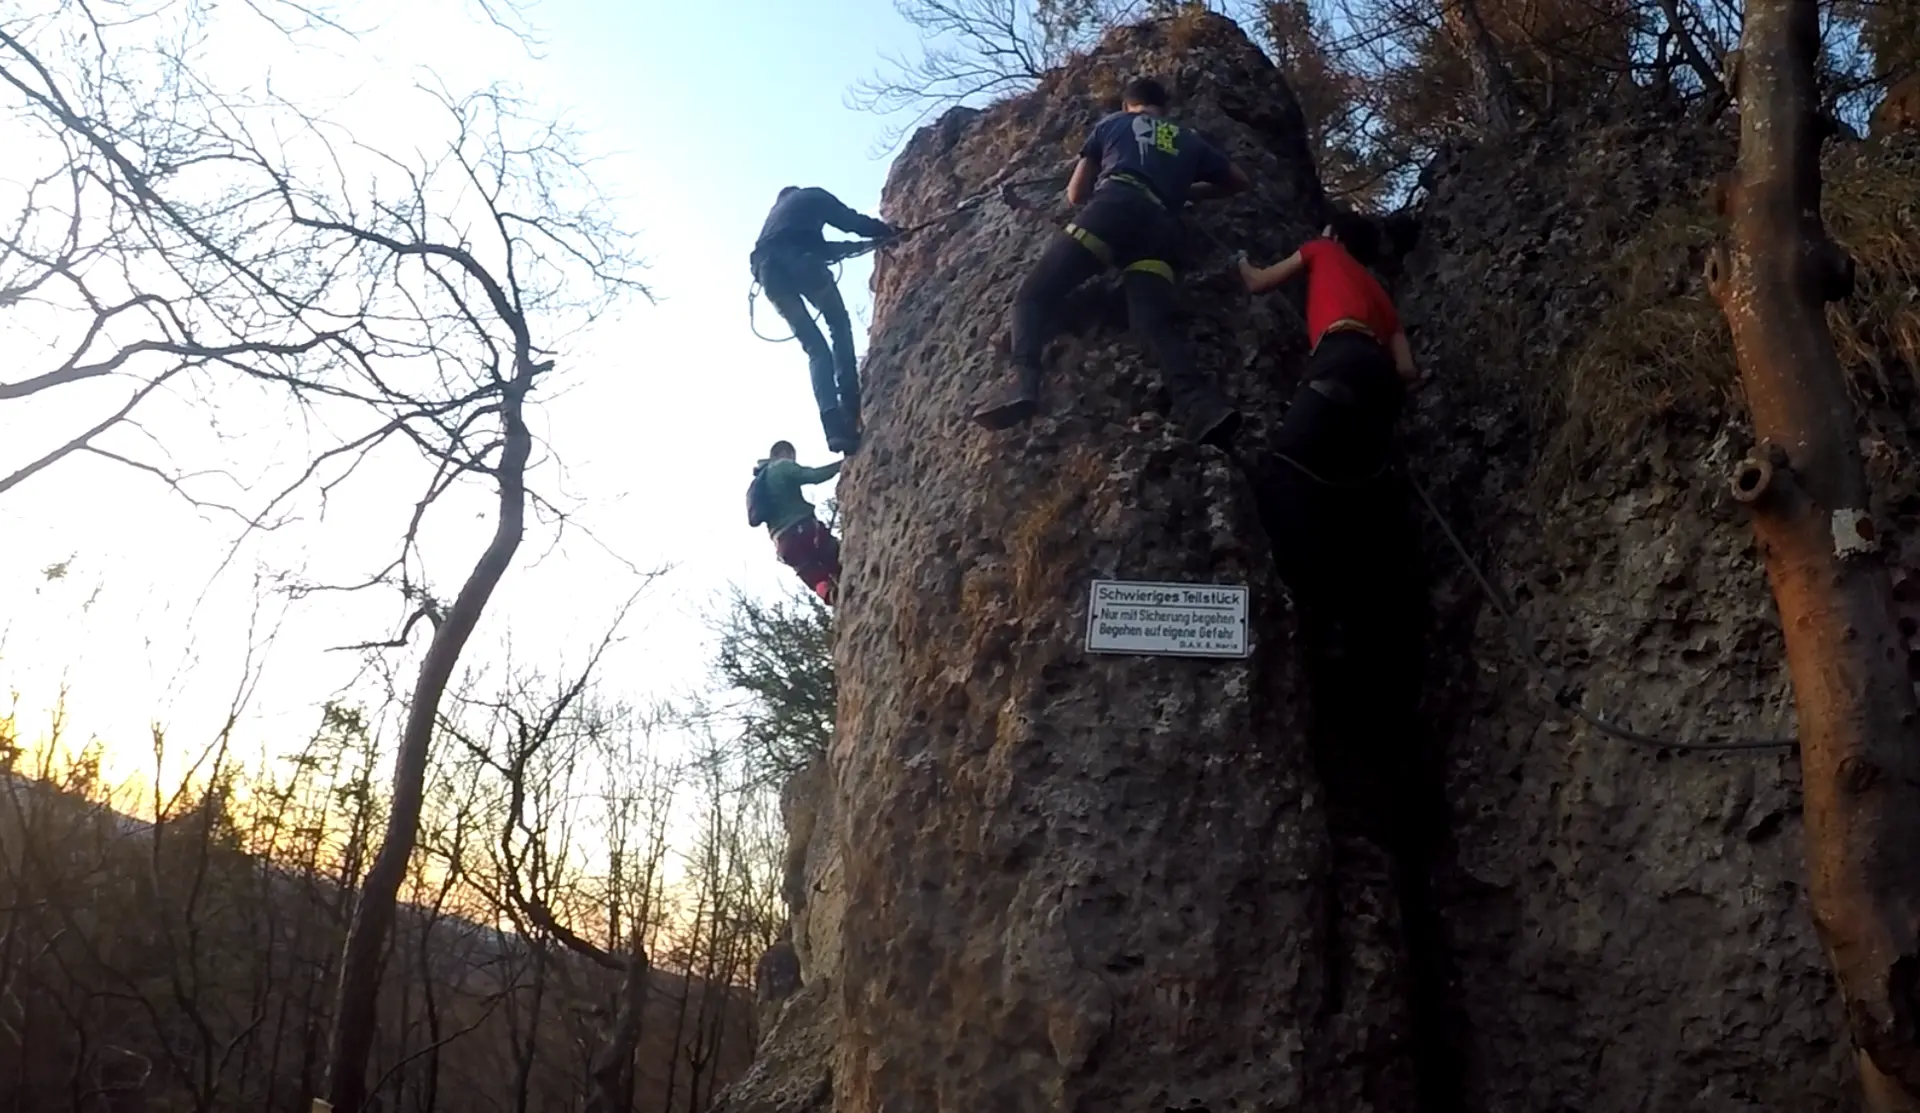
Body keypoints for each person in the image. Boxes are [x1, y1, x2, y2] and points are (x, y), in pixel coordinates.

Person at [972, 76, 1252, 446]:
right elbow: (1239, 181)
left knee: (1033, 296)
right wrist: (1185, 191)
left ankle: (1024, 383)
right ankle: (1202, 406)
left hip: (1113, 207)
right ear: (1162, 108)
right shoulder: (1188, 139)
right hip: (1161, 225)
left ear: (1127, 105)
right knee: (1152, 322)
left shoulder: (1112, 124)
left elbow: (1075, 194)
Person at [751, 187, 899, 454]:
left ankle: (833, 427)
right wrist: (886, 232)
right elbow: (850, 222)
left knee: (815, 350)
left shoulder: (776, 222)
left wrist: (864, 246)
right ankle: (849, 403)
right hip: (802, 263)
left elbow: (823, 249)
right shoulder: (811, 196)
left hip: (769, 276)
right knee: (838, 323)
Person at [747, 440, 843, 605]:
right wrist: (842, 465)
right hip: (805, 529)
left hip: (784, 545)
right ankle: (848, 576)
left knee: (812, 575)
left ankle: (830, 594)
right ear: (786, 454)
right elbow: (814, 476)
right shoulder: (782, 466)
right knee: (835, 555)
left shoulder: (756, 485)